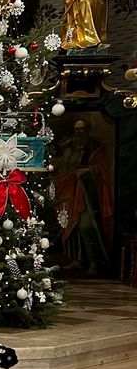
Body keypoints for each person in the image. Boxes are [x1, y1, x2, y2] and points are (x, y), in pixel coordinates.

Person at [53, 116, 113, 275]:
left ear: (87, 130)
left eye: (82, 129)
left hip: (88, 193)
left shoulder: (95, 147)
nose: (79, 132)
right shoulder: (68, 146)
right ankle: (78, 260)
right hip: (69, 191)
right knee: (71, 227)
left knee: (86, 226)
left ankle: (94, 261)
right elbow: (62, 165)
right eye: (76, 129)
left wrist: (87, 170)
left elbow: (102, 168)